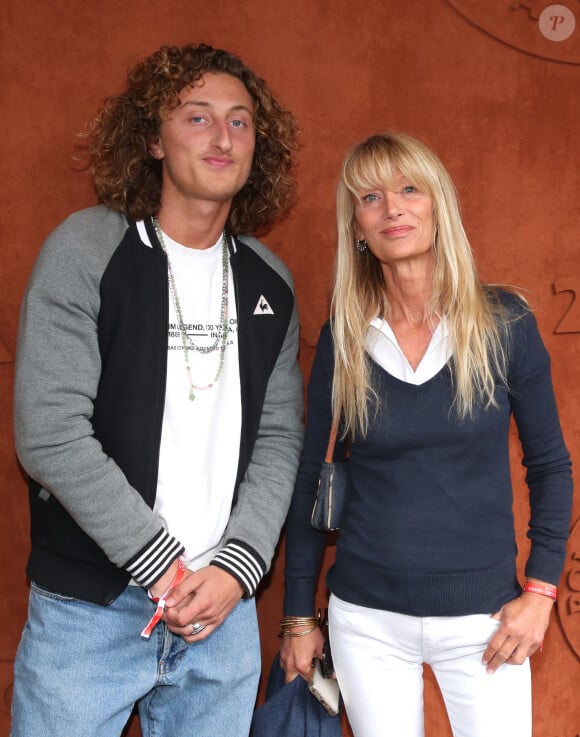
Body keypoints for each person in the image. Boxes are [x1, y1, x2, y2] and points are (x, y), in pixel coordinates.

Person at [12, 43, 303, 737]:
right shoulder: (87, 249)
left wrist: (236, 569)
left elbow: (280, 437)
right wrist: (160, 565)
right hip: (90, 611)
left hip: (221, 615)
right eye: (197, 117)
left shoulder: (270, 281)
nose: (223, 136)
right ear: (151, 137)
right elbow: (49, 430)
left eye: (239, 121)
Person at [280, 132, 573, 737]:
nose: (393, 208)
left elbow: (550, 466)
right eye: (370, 197)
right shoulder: (346, 338)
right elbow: (312, 478)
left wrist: (542, 590)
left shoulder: (506, 324)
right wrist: (297, 617)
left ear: (438, 205)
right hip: (365, 620)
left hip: (486, 619)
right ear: (356, 227)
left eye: (410, 189)